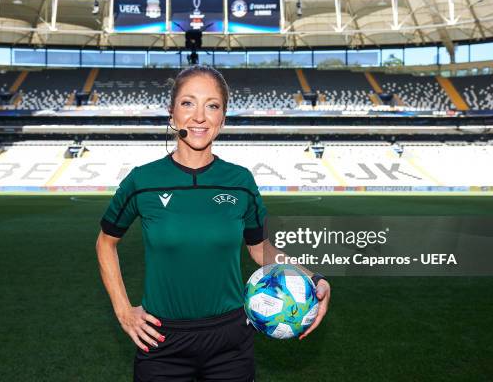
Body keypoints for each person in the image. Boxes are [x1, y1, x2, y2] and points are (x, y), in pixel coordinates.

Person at [96, 65, 331, 382]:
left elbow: (260, 247)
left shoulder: (240, 181)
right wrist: (124, 311)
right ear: (172, 112)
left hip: (231, 342)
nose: (199, 117)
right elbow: (106, 242)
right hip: (162, 342)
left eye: (212, 105)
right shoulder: (142, 180)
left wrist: (311, 277)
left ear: (223, 117)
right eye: (188, 103)